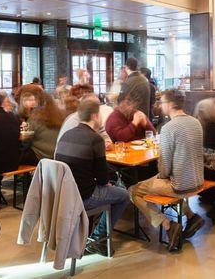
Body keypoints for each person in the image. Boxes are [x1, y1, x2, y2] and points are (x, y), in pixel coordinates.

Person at [129, 89, 205, 252]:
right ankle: (191, 216)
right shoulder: (195, 122)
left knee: (133, 191)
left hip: (180, 186)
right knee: (168, 181)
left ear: (170, 104)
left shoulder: (169, 128)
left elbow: (164, 165)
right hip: (198, 181)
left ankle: (168, 225)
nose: (160, 105)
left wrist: (162, 177)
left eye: (161, 102)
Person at [55, 99, 130, 252]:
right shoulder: (95, 139)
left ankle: (93, 233)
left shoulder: (66, 134)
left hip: (64, 194)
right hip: (84, 195)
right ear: (95, 116)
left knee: (111, 189)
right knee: (123, 195)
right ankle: (98, 238)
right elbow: (103, 179)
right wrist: (107, 184)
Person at [21, 91, 65, 163]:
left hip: (39, 157)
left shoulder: (35, 118)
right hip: (56, 155)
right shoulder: (61, 116)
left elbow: (25, 139)